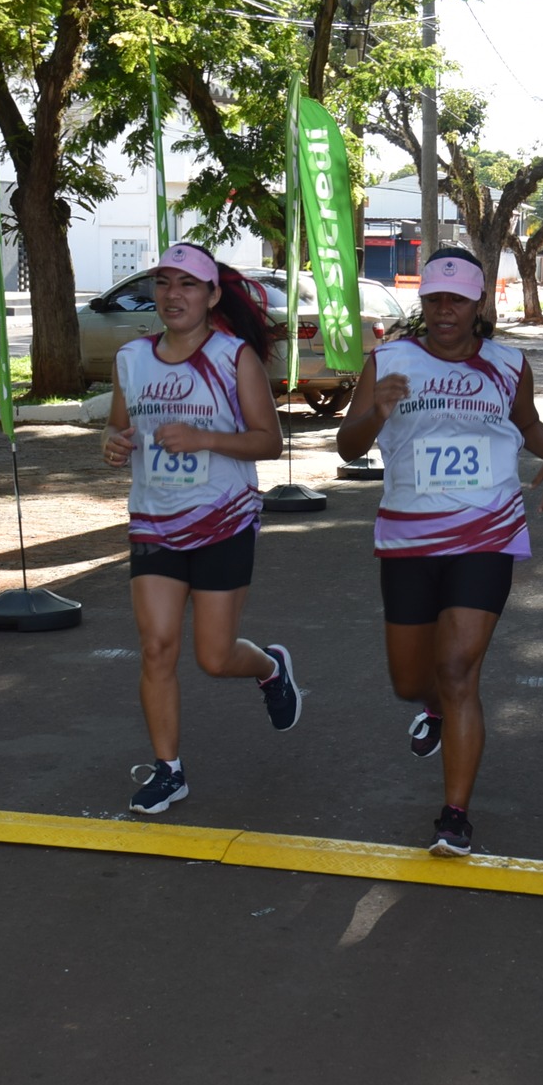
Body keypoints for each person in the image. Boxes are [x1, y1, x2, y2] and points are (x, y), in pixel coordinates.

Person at [335, 247, 543, 857]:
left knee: (460, 669)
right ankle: (433, 707)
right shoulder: (389, 360)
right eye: (435, 300)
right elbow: (348, 445)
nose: (444, 312)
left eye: (456, 301)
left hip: (486, 533)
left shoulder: (508, 364)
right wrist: (376, 411)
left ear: (478, 304)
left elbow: (527, 423)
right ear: (424, 303)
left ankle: (455, 815)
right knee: (410, 679)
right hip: (409, 539)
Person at [102, 242, 303, 815]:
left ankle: (270, 667)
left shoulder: (233, 356)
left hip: (224, 519)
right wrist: (114, 445)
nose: (173, 295)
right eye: (164, 283)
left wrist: (204, 438)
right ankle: (169, 770)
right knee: (156, 647)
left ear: (212, 295)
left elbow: (269, 441)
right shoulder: (132, 359)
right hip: (155, 523)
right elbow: (120, 430)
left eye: (187, 285)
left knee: (213, 657)